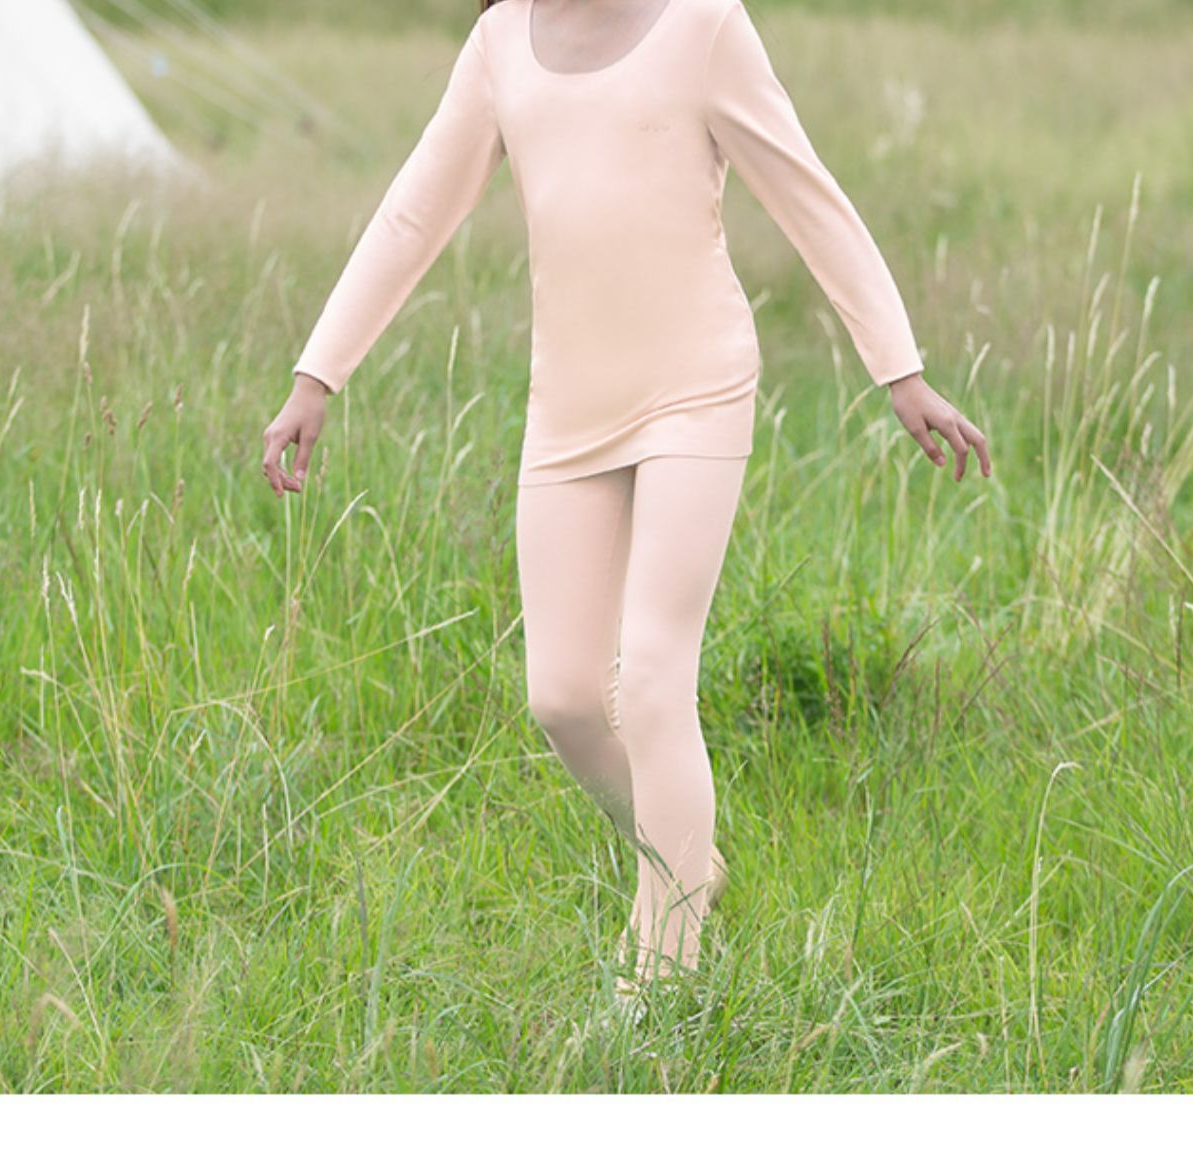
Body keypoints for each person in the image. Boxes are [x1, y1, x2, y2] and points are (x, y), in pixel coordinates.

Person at [260, 0, 992, 999]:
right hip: (569, 411)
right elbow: (411, 215)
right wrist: (318, 376)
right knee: (563, 698)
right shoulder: (500, 43)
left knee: (649, 680)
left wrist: (899, 370)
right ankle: (688, 861)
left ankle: (661, 975)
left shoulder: (704, 26)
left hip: (696, 391)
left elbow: (810, 198)